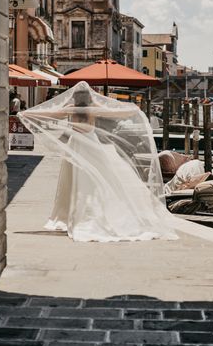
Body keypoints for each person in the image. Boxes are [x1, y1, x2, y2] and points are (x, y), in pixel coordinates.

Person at [18, 81, 178, 242]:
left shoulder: (71, 108)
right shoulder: (93, 108)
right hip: (92, 143)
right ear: (89, 96)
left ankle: (73, 215)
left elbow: (49, 113)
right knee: (96, 181)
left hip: (76, 145)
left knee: (76, 182)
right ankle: (91, 214)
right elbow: (115, 113)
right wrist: (133, 109)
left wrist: (25, 114)